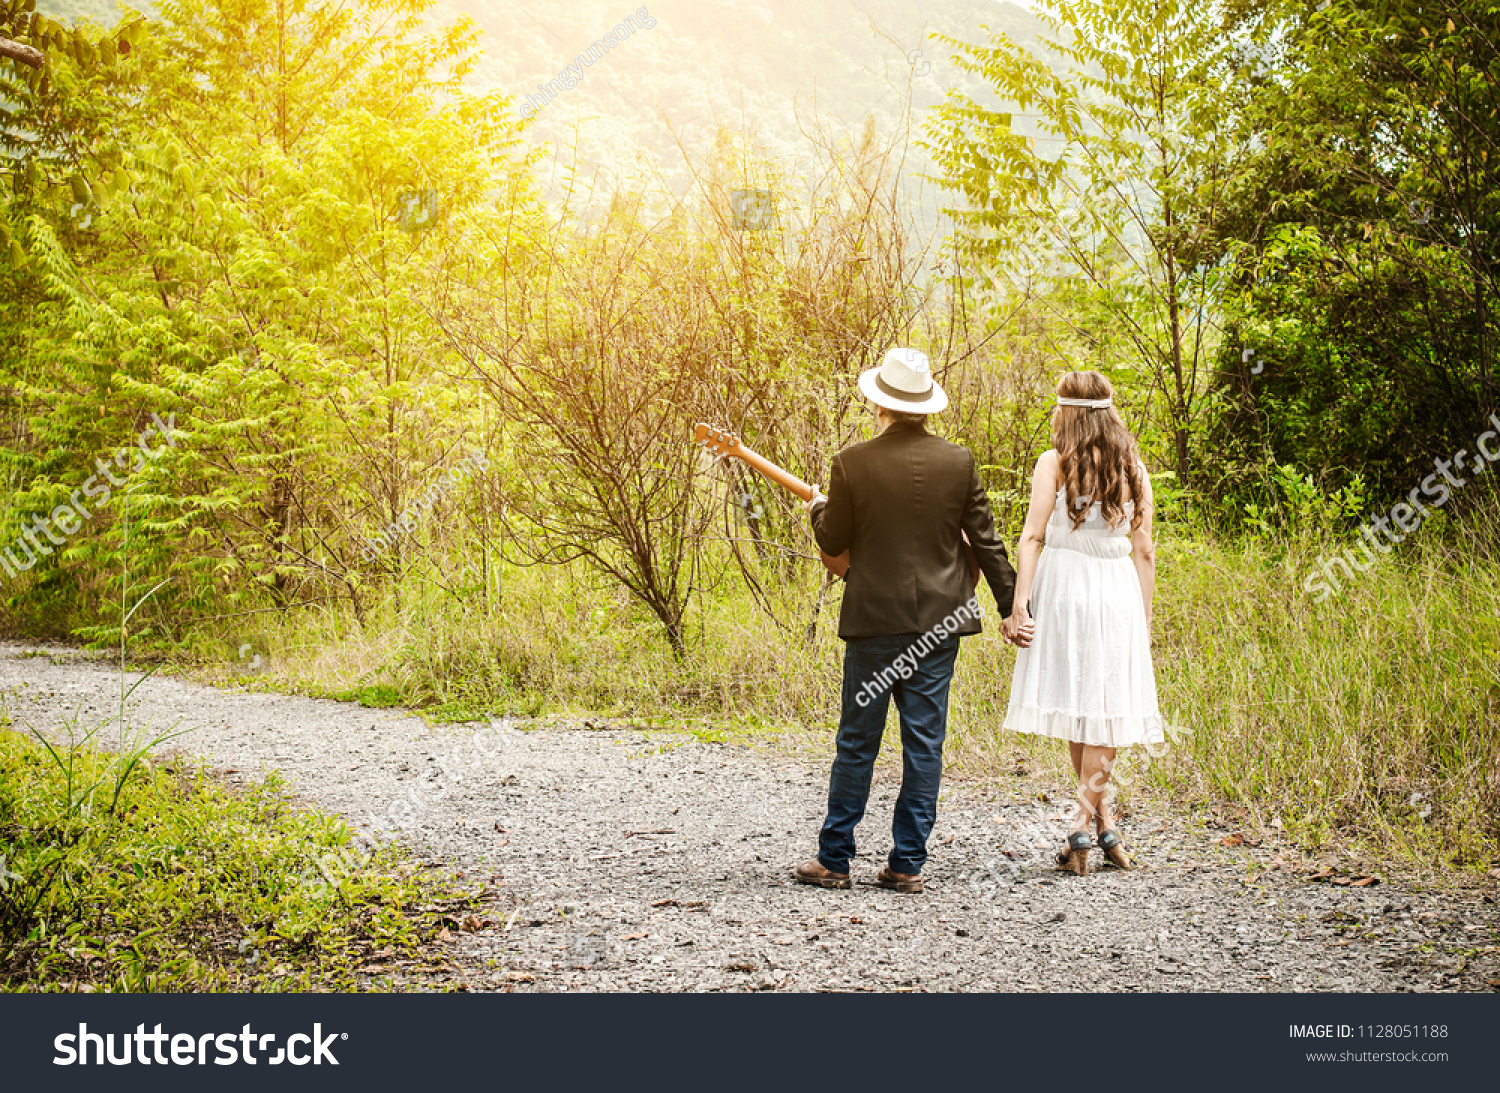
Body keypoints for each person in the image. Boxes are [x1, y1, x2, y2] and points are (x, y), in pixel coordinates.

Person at [794, 348, 1019, 895]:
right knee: (925, 743)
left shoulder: (852, 462)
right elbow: (987, 544)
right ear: (926, 407)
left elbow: (833, 541)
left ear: (879, 405)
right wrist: (1012, 606)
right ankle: (907, 864)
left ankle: (835, 859)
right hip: (940, 626)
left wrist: (817, 510)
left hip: (874, 623)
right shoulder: (959, 462)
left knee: (857, 741)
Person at [1002, 370, 1162, 875]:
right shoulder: (1134, 468)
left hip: (1065, 585)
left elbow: (1031, 538)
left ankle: (1083, 820)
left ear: (1063, 413)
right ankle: (1101, 819)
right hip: (1115, 588)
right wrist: (1144, 621)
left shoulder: (1053, 462)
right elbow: (1146, 552)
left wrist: (1020, 603)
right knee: (1100, 705)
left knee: (1086, 702)